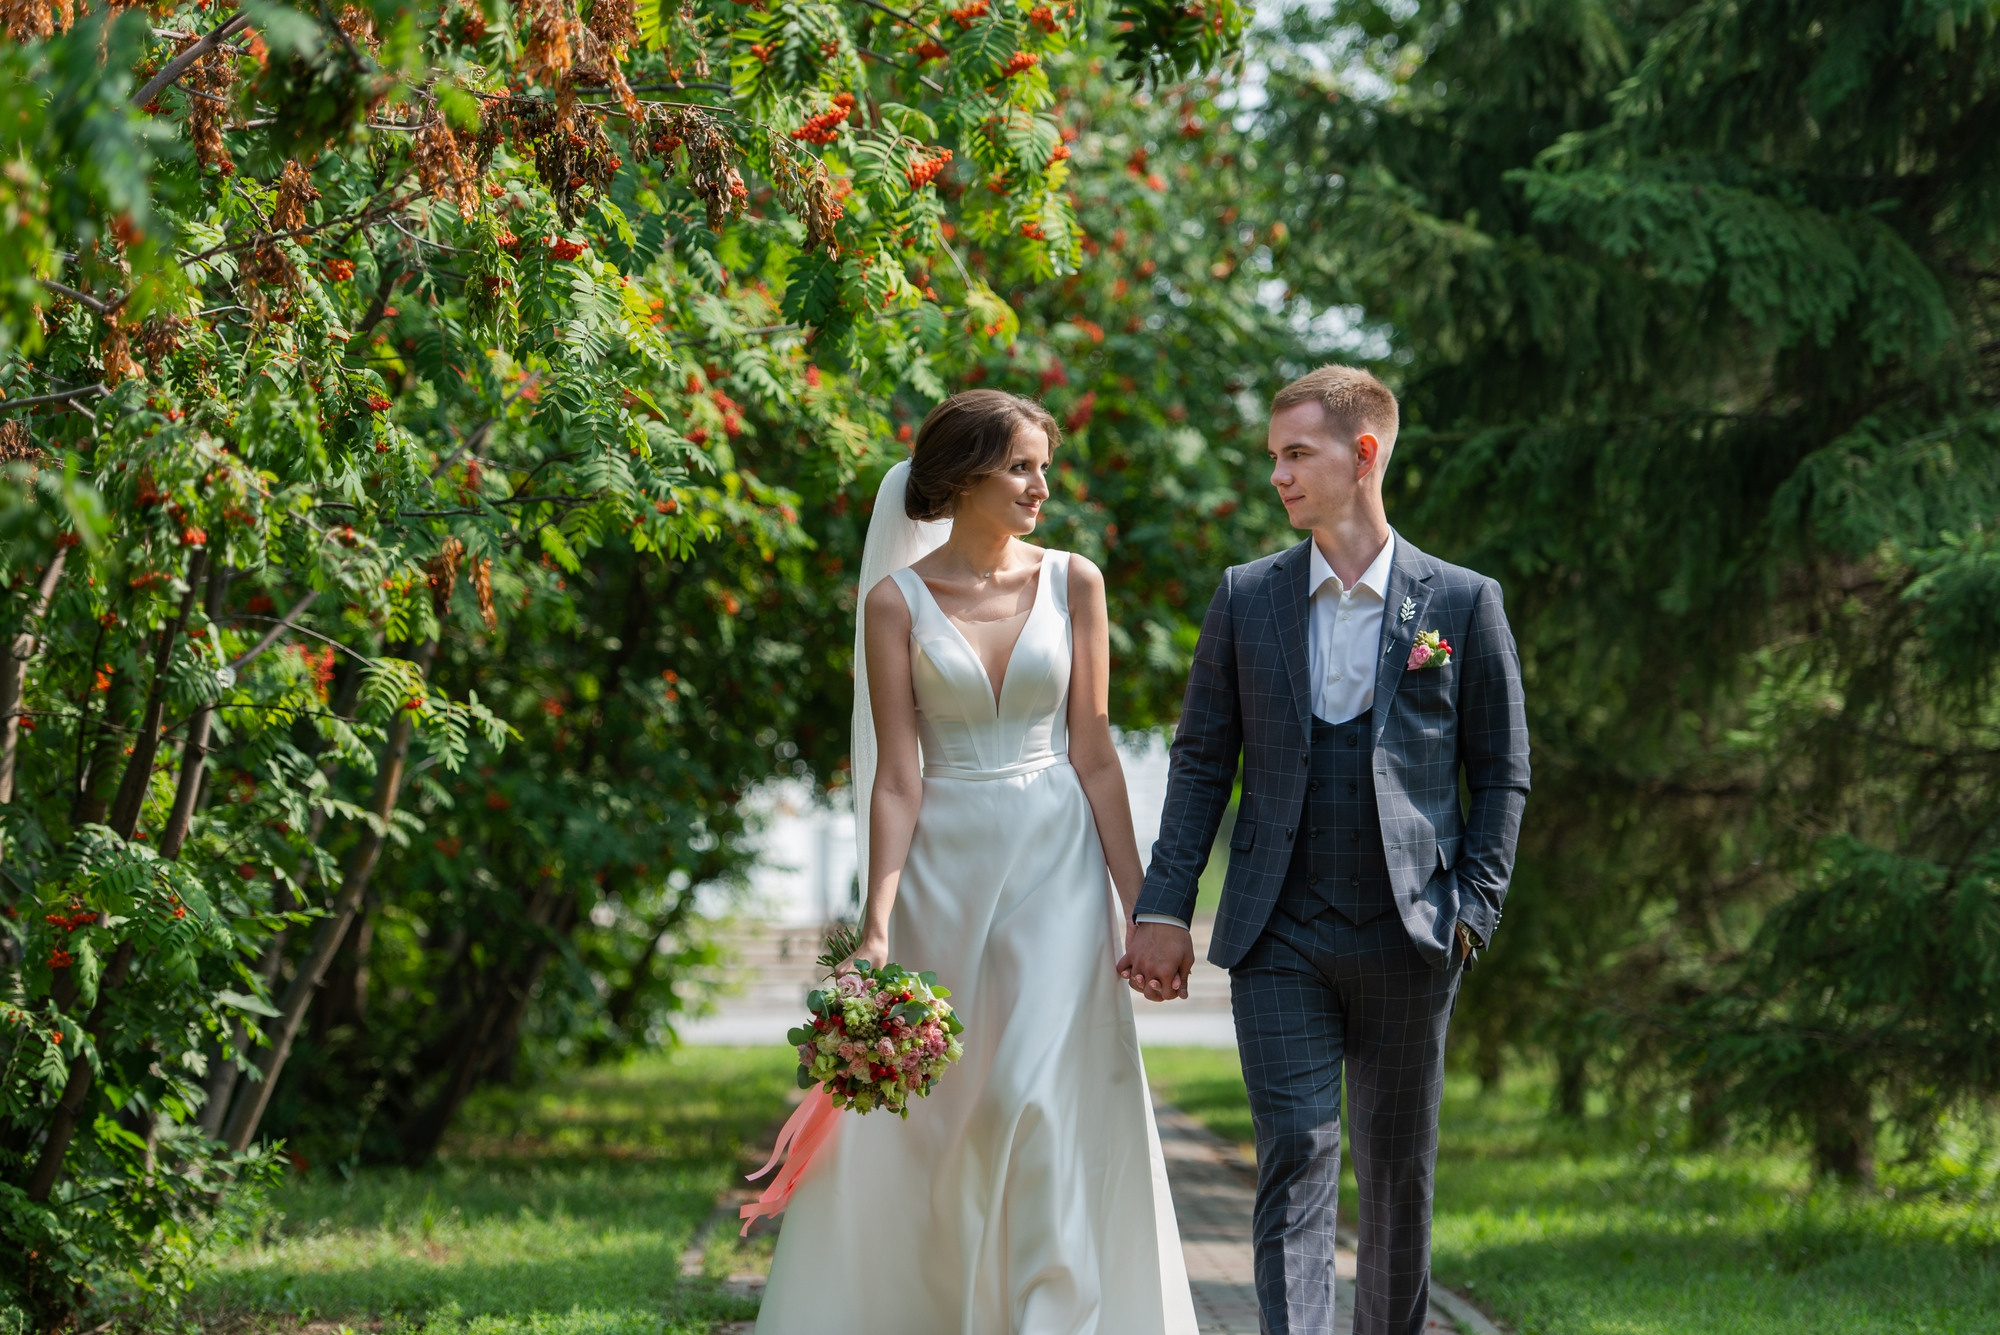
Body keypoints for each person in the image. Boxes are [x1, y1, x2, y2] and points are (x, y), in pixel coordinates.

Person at [754, 389, 1197, 1334]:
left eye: (1044, 465)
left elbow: (1096, 753)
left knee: (1035, 1098)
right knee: (954, 1120)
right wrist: (875, 927)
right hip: (944, 871)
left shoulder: (1077, 581)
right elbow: (897, 778)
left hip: (1058, 866)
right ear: (962, 478)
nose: (1043, 485)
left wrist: (1144, 906)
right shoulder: (894, 604)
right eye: (1022, 467)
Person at [1119, 365, 1530, 1335]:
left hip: (1410, 930)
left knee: (1395, 1175)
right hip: (1277, 932)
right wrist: (1164, 906)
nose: (1277, 476)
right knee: (1293, 1156)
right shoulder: (1245, 597)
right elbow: (1199, 763)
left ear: (1363, 454)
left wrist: (1470, 911)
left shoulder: (1461, 605)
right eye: (1272, 457)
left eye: (1295, 453)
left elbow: (1500, 770)